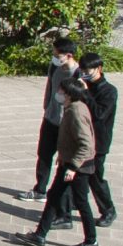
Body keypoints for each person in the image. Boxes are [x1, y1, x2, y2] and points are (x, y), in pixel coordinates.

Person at [18, 87, 100, 246]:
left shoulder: (76, 112)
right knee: (54, 197)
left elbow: (86, 145)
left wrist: (72, 167)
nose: (59, 94)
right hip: (68, 164)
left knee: (81, 202)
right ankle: (40, 235)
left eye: (62, 91)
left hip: (76, 168)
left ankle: (91, 240)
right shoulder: (73, 108)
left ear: (69, 94)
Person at [32, 38, 80, 200]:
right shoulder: (54, 67)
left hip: (66, 124)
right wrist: (46, 107)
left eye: (57, 53)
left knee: (65, 160)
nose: (54, 56)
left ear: (69, 55)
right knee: (44, 155)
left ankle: (67, 196)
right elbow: (49, 87)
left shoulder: (77, 74)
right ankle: (40, 189)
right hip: (50, 118)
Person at [79, 55, 120, 225]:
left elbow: (99, 114)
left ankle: (108, 210)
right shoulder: (84, 84)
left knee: (95, 177)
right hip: (82, 137)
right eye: (83, 70)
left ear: (99, 69)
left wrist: (85, 93)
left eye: (88, 71)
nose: (85, 74)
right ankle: (65, 210)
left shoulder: (109, 91)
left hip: (98, 142)